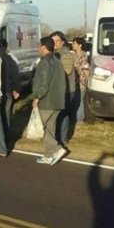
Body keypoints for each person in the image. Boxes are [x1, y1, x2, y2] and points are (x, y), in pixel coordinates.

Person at [32, 37, 68, 165]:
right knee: (49, 128)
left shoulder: (45, 62)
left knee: (42, 127)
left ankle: (57, 149)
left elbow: (44, 83)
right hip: (58, 100)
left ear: (43, 46)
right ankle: (48, 155)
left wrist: (37, 97)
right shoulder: (57, 61)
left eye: (39, 46)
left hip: (47, 101)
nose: (37, 48)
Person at [50, 31, 77, 145]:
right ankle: (57, 138)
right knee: (58, 115)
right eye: (53, 41)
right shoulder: (54, 54)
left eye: (57, 41)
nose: (55, 44)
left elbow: (67, 71)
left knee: (63, 115)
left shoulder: (65, 54)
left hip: (66, 90)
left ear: (63, 42)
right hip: (58, 89)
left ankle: (62, 139)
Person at [71, 37, 90, 124]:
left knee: (79, 100)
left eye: (74, 43)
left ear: (80, 45)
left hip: (80, 81)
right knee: (75, 100)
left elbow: (83, 69)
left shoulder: (84, 55)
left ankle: (80, 119)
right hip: (73, 81)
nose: (72, 45)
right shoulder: (73, 55)